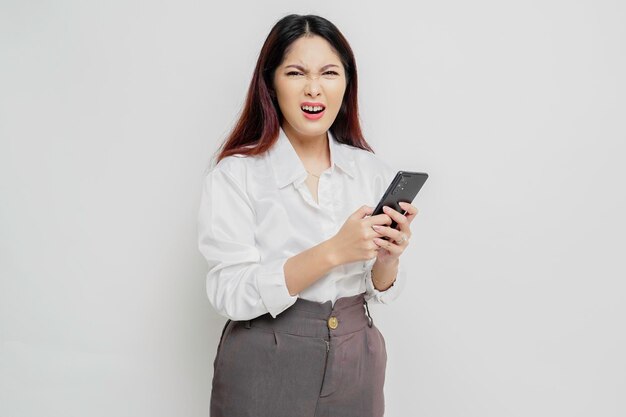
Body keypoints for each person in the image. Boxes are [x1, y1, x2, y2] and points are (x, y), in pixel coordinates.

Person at [197, 13, 419, 417]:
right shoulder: (237, 174)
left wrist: (388, 259)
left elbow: (378, 289)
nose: (314, 88)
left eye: (329, 73)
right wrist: (334, 251)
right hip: (264, 360)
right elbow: (227, 292)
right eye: (296, 72)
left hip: (358, 363)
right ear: (271, 82)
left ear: (347, 82)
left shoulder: (371, 170)